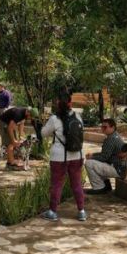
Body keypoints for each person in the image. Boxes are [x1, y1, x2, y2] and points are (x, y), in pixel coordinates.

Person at [40, 92, 87, 221]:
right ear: (70, 103)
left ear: (57, 104)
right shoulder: (78, 116)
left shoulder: (54, 119)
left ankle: (53, 212)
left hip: (59, 158)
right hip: (77, 155)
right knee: (77, 184)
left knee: (56, 185)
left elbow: (44, 133)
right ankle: (81, 211)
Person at [84, 118, 127, 194]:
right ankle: (106, 185)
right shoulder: (115, 135)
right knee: (98, 162)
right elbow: (106, 154)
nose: (102, 129)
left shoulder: (111, 139)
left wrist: (92, 157)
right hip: (120, 168)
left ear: (112, 127)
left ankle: (99, 187)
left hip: (118, 170)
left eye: (105, 127)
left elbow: (104, 157)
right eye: (102, 127)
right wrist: (93, 155)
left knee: (89, 163)